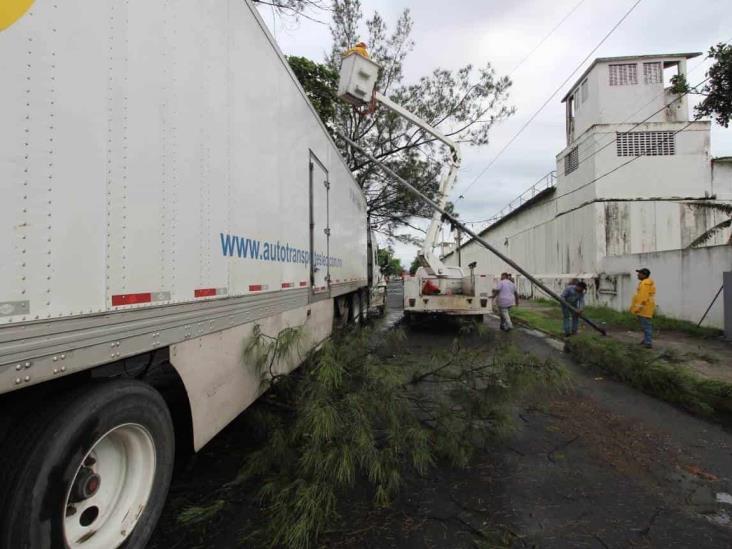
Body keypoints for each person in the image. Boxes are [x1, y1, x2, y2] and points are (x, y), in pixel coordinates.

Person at [630, 268, 656, 348]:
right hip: (645, 307)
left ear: (644, 275)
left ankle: (648, 343)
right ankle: (646, 340)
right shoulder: (645, 283)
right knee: (645, 325)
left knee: (646, 326)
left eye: (639, 273)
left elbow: (642, 297)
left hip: (644, 308)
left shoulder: (645, 284)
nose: (638, 275)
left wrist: (637, 308)